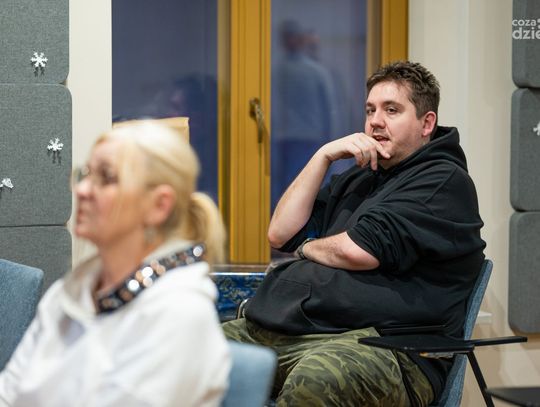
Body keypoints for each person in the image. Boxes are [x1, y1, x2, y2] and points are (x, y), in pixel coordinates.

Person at [223, 61, 486, 406]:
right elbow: (280, 234)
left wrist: (306, 248)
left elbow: (357, 250)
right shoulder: (360, 177)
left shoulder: (442, 182)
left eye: (391, 110)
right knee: (197, 353)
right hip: (306, 332)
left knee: (319, 378)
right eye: (370, 110)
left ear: (426, 124)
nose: (376, 120)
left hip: (393, 350)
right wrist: (323, 156)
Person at [0, 122, 231, 406]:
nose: (82, 189)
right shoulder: (71, 292)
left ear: (159, 205)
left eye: (107, 178)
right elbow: (9, 391)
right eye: (85, 175)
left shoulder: (180, 313)